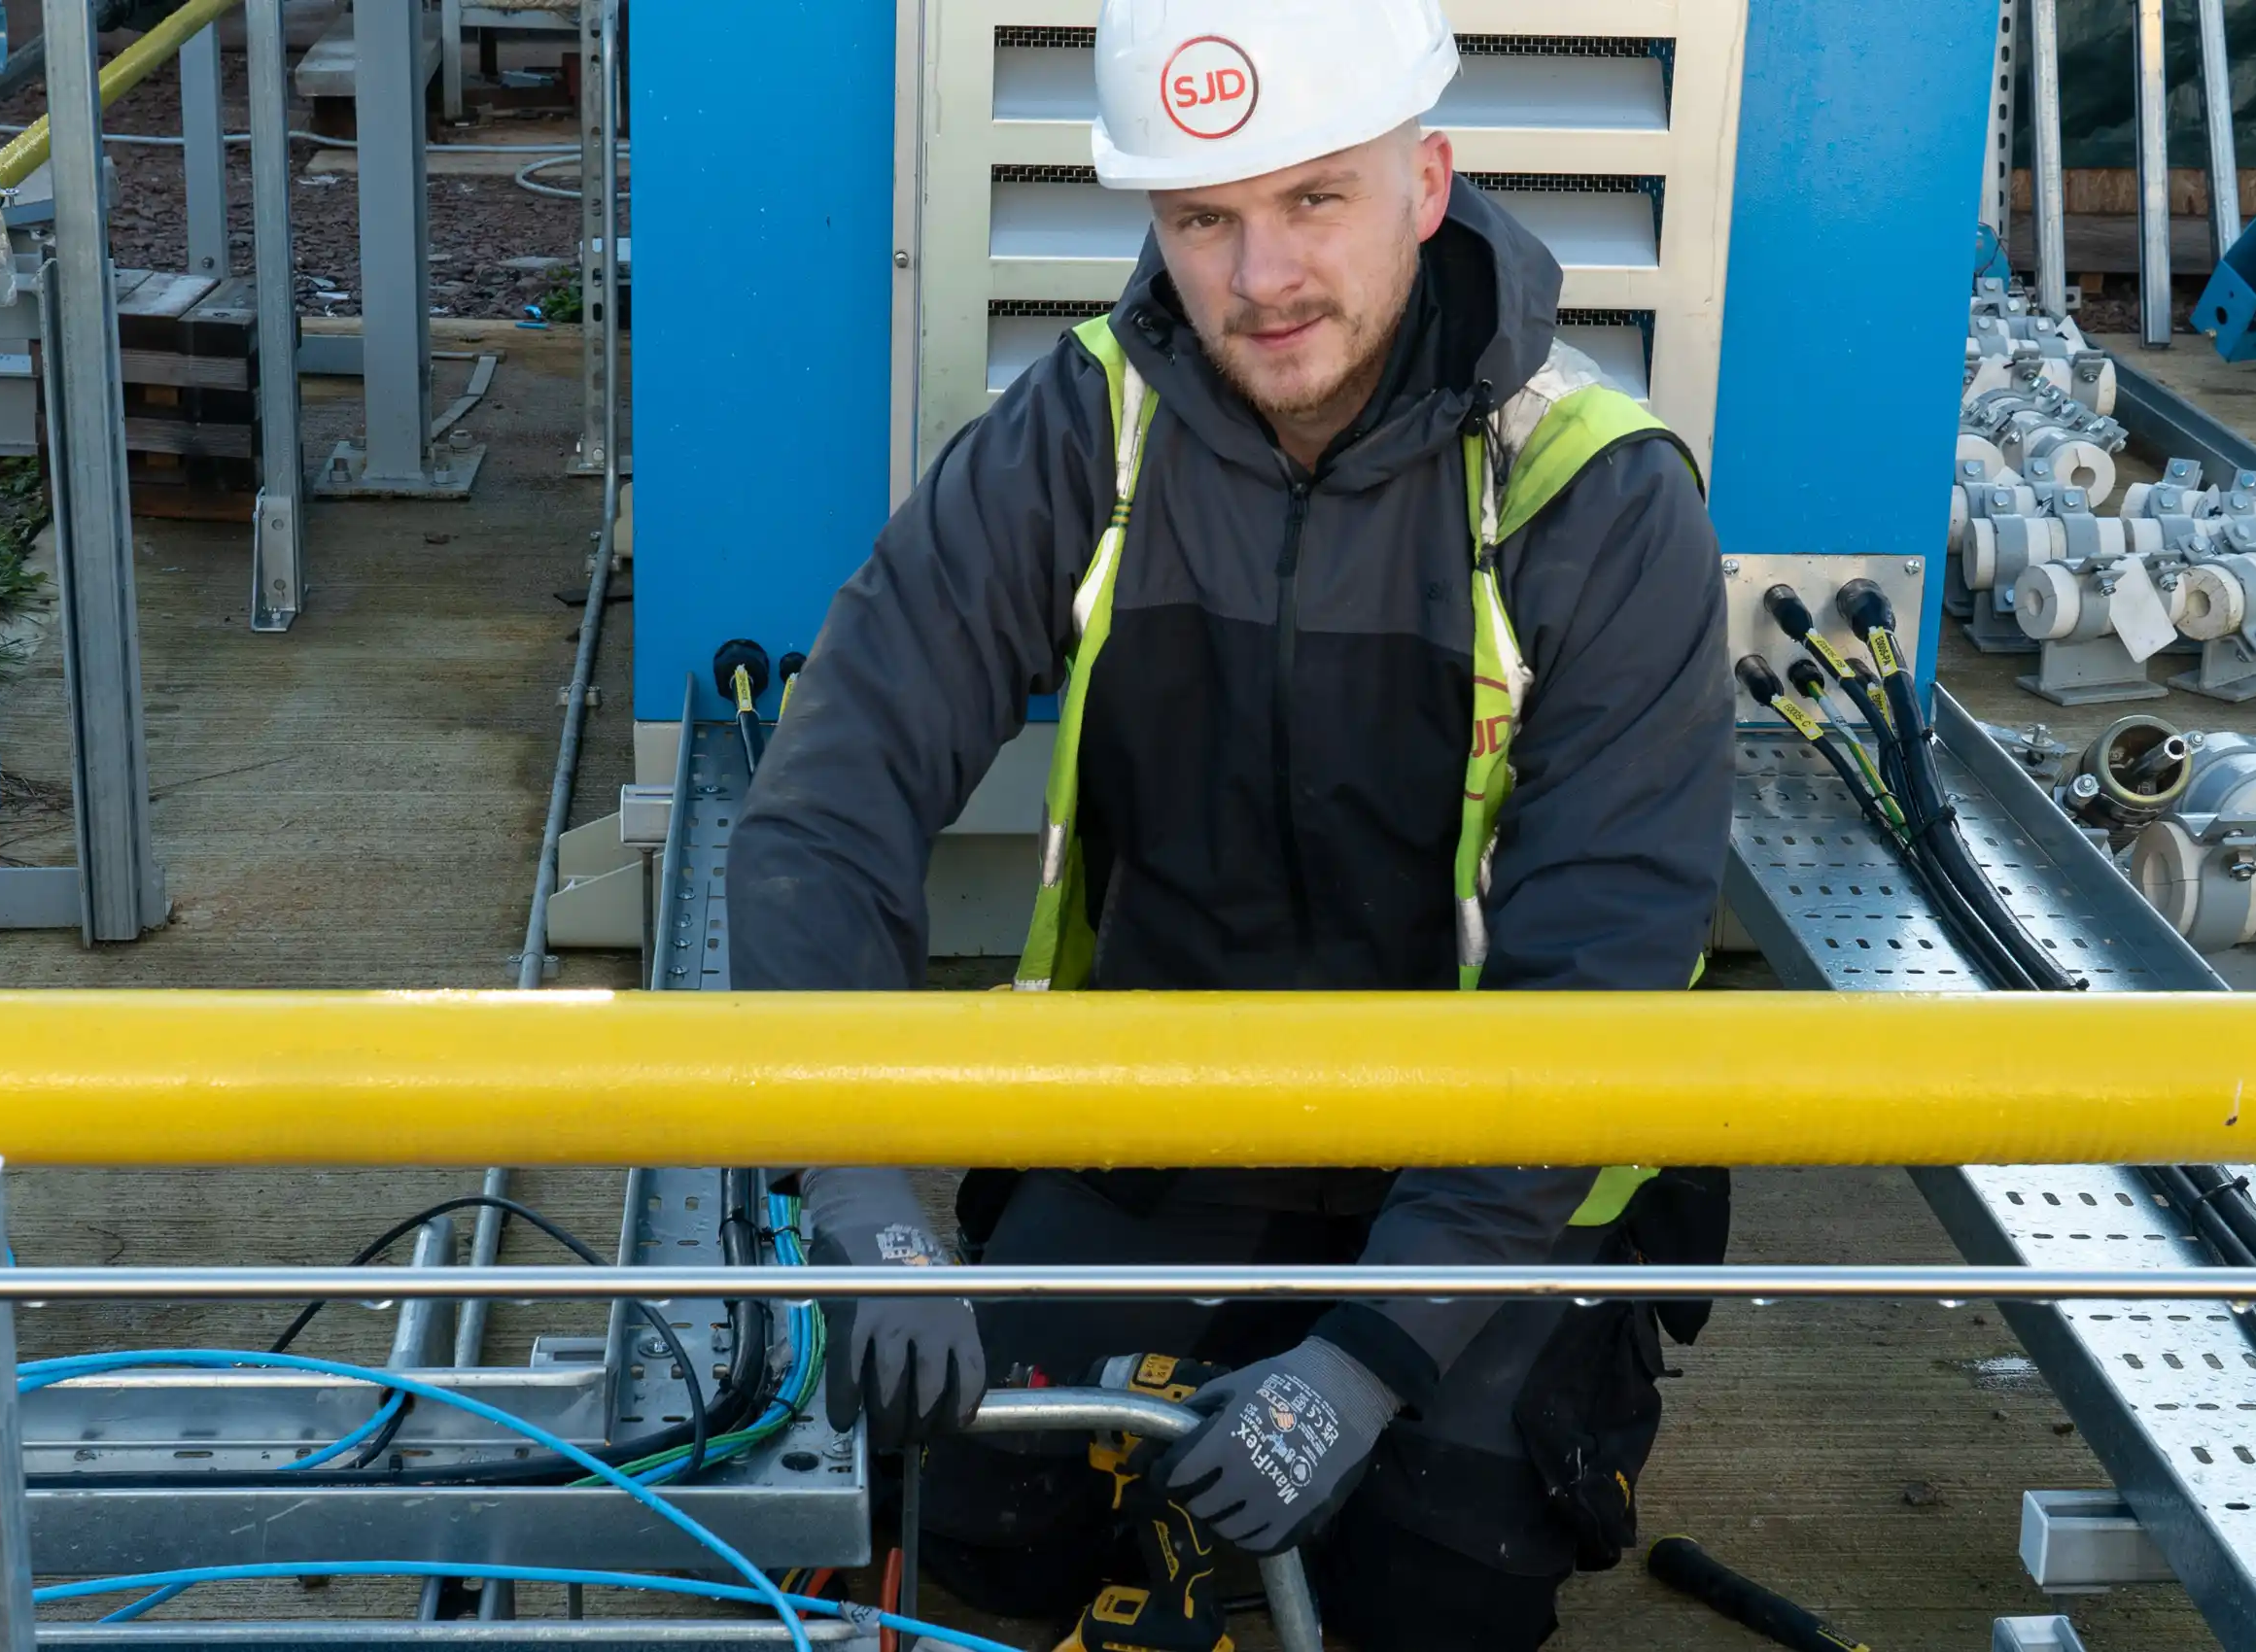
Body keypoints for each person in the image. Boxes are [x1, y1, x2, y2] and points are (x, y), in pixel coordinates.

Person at [728, 0, 1734, 1643]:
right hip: (1171, 1122)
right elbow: (828, 795)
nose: (1257, 278)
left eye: (1312, 200)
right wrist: (851, 1199)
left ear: (1426, 182)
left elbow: (1599, 983)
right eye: (1204, 217)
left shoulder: (1595, 500)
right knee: (959, 1504)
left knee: (1428, 1576)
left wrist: (1378, 1347)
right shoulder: (1088, 428)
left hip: (1491, 1174)